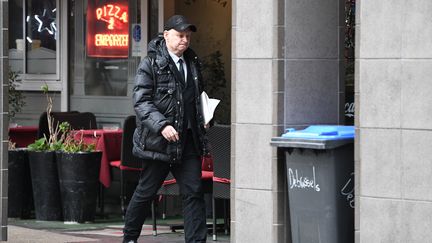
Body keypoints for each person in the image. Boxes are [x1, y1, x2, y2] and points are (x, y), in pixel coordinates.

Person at [123, 15, 209, 243]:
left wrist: (204, 117)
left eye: (188, 37)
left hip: (188, 140)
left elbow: (197, 97)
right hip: (158, 142)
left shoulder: (192, 62)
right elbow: (141, 102)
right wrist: (162, 125)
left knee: (194, 193)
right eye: (180, 35)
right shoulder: (150, 63)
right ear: (166, 34)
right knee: (146, 192)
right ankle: (129, 238)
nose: (185, 40)